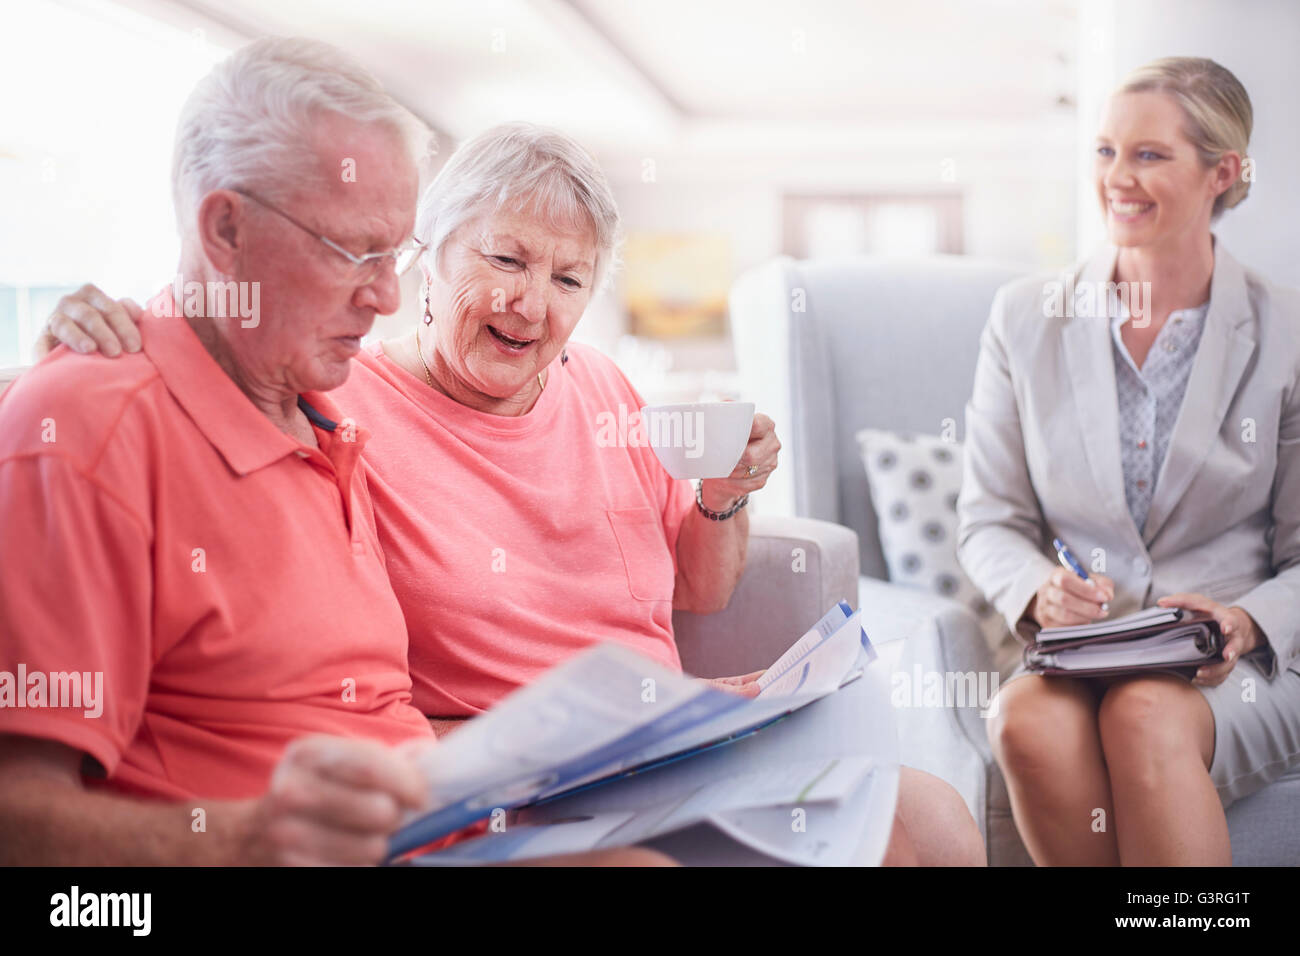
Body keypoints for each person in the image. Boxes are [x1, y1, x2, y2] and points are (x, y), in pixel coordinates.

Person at [43, 103, 986, 867]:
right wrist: (80, 329)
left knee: (936, 820)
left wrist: (724, 492)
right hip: (513, 774)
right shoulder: (340, 391)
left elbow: (700, 591)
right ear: (431, 254)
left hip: (669, 738)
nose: (532, 304)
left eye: (569, 279)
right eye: (506, 260)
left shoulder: (605, 387)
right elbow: (212, 343)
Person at [0, 35, 667, 868]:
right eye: (355, 252)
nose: (388, 294)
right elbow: (17, 817)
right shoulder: (92, 426)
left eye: (394, 255)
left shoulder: (324, 411)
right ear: (226, 228)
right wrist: (246, 837)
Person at [956, 57, 1300, 865]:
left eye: (1149, 155)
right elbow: (989, 520)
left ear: (1223, 172)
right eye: (1106, 151)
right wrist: (1037, 589)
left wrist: (1244, 622)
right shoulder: (1024, 317)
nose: (1118, 177)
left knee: (1143, 711)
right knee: (1024, 720)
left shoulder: (1287, 329)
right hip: (1086, 649)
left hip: (1234, 662)